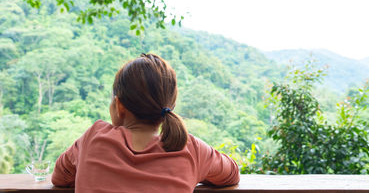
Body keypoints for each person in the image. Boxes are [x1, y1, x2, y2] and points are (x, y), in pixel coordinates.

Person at [52, 53, 239, 193]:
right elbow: (231, 174)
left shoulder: (94, 137)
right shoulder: (191, 148)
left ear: (119, 106)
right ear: (170, 106)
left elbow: (60, 176)